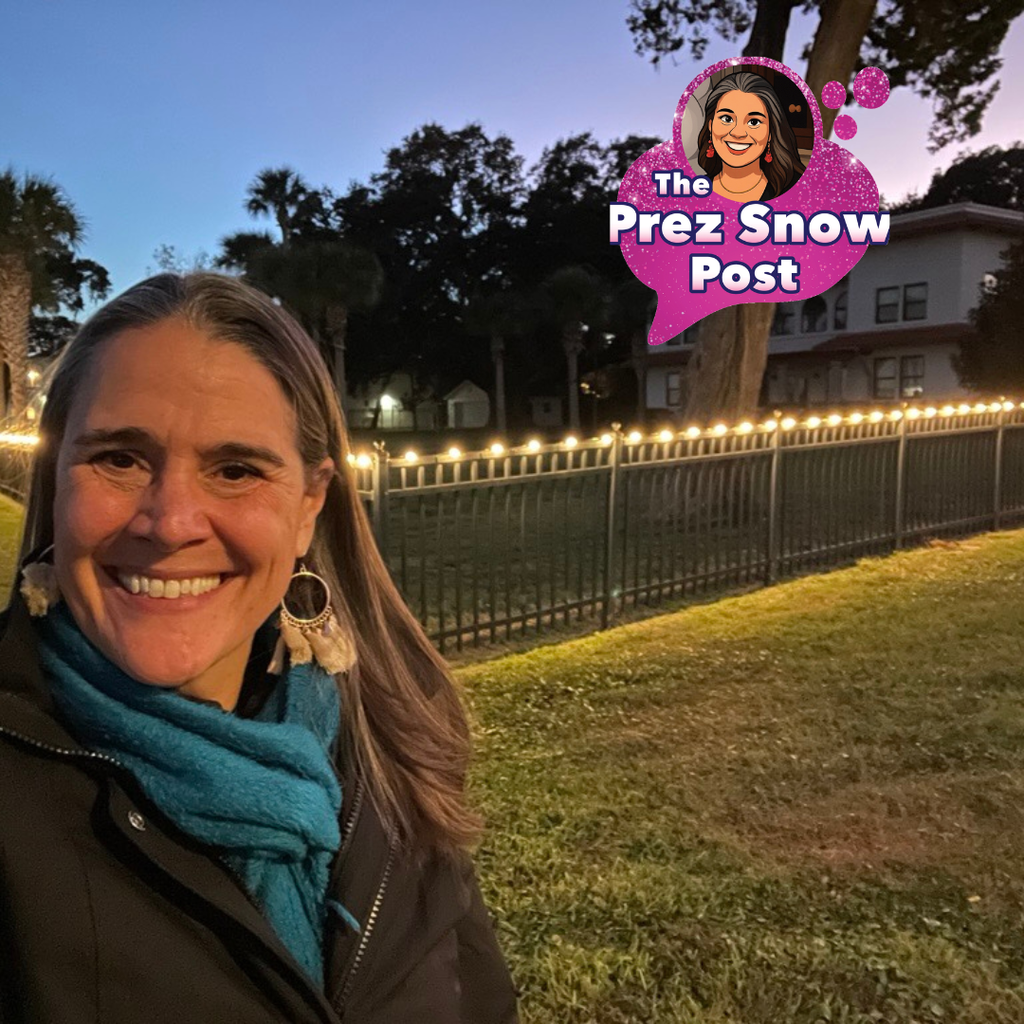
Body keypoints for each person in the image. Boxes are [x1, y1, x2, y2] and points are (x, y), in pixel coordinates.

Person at [0, 272, 519, 1024]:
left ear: (310, 505)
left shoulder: (382, 739)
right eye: (119, 458)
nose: (171, 521)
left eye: (236, 470)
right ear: (57, 480)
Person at [696, 70, 804, 203]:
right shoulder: (690, 192)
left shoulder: (800, 191)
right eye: (727, 119)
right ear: (710, 126)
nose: (738, 133)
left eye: (754, 122)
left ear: (771, 132)